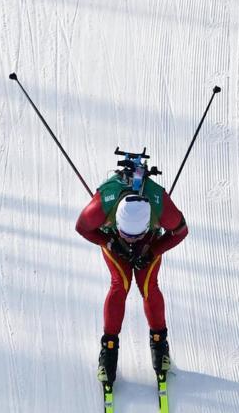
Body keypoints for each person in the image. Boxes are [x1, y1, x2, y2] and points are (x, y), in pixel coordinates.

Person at [75, 159, 188, 385]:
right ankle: (108, 351)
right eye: (128, 234)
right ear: (118, 219)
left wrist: (153, 249)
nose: (132, 241)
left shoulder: (160, 203)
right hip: (113, 241)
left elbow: (181, 230)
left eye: (136, 235)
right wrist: (109, 242)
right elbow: (82, 227)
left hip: (150, 243)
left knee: (148, 286)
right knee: (120, 285)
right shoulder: (103, 203)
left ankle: (160, 344)